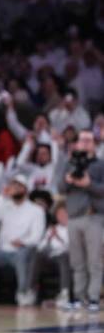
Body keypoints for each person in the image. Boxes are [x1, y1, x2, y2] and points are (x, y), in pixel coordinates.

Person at [0, 174, 46, 306]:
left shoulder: (36, 210)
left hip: (22, 250)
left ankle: (23, 293)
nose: (14, 188)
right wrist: (1, 197)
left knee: (22, 255)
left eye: (18, 186)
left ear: (25, 190)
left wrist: (22, 242)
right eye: (12, 185)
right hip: (3, 251)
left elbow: (37, 237)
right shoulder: (5, 205)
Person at [58, 129, 104, 312]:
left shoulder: (100, 165)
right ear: (76, 144)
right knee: (77, 261)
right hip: (74, 217)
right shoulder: (68, 163)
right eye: (82, 140)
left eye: (89, 140)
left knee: (94, 260)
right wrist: (69, 180)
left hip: (94, 216)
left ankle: (93, 298)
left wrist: (88, 184)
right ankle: (78, 296)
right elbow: (60, 187)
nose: (85, 143)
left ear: (95, 144)